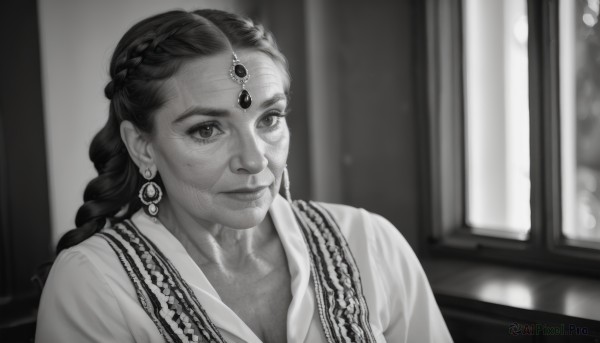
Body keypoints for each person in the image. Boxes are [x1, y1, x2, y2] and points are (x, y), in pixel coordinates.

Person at [35, 9, 452, 343]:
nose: (254, 161)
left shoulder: (370, 243)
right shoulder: (94, 284)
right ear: (142, 145)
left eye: (269, 118)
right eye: (206, 130)